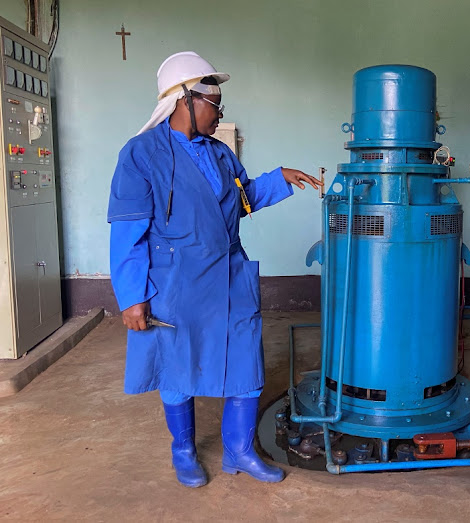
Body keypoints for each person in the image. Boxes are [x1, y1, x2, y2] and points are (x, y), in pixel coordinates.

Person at [107, 51, 322, 488]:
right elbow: (127, 233)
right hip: (174, 283)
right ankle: (183, 450)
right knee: (177, 370)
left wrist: (278, 178)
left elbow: (241, 203)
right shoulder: (141, 155)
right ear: (184, 99)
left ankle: (240, 451)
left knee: (246, 365)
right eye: (214, 104)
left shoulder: (221, 154)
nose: (219, 113)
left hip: (230, 275)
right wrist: (132, 297)